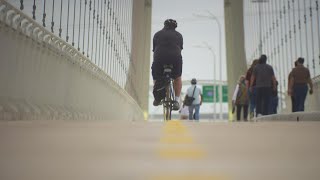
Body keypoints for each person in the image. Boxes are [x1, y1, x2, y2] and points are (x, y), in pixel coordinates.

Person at [151, 19, 183, 111]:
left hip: (159, 58)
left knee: (156, 76)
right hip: (175, 58)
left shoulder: (157, 34)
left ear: (164, 25)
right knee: (177, 77)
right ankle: (176, 100)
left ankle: (157, 97)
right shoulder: (179, 35)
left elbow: (154, 50)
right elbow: (180, 49)